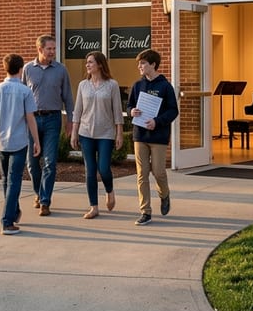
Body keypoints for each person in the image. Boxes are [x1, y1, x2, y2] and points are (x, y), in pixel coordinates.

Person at [0, 53, 41, 236]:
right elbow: (30, 118)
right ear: (21, 69)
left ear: (5, 68)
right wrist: (36, 140)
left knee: (6, 180)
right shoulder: (25, 91)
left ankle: (14, 212)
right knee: (14, 180)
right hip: (19, 141)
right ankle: (7, 221)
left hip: (0, 141)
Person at [22, 34, 74, 216]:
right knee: (32, 163)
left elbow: (68, 97)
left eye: (54, 49)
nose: (52, 52)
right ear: (40, 49)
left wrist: (70, 121)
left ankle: (45, 201)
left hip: (53, 119)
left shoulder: (61, 70)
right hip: (32, 120)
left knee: (50, 162)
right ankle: (38, 192)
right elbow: (22, 95)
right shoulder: (28, 69)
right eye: (49, 49)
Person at [126, 49, 178, 226]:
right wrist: (131, 112)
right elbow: (129, 106)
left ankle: (164, 195)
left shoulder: (165, 87)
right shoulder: (137, 85)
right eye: (139, 64)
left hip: (158, 136)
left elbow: (173, 111)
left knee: (158, 172)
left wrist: (157, 121)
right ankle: (145, 211)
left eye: (143, 63)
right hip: (140, 135)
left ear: (153, 64)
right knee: (142, 174)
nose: (139, 66)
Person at [70, 51, 123, 219]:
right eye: (87, 62)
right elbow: (78, 110)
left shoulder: (112, 85)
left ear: (100, 64)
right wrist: (74, 133)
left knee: (104, 168)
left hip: (106, 133)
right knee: (90, 171)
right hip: (85, 132)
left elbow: (117, 111)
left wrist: (119, 134)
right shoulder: (83, 85)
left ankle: (109, 191)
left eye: (91, 62)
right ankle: (94, 207)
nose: (87, 65)